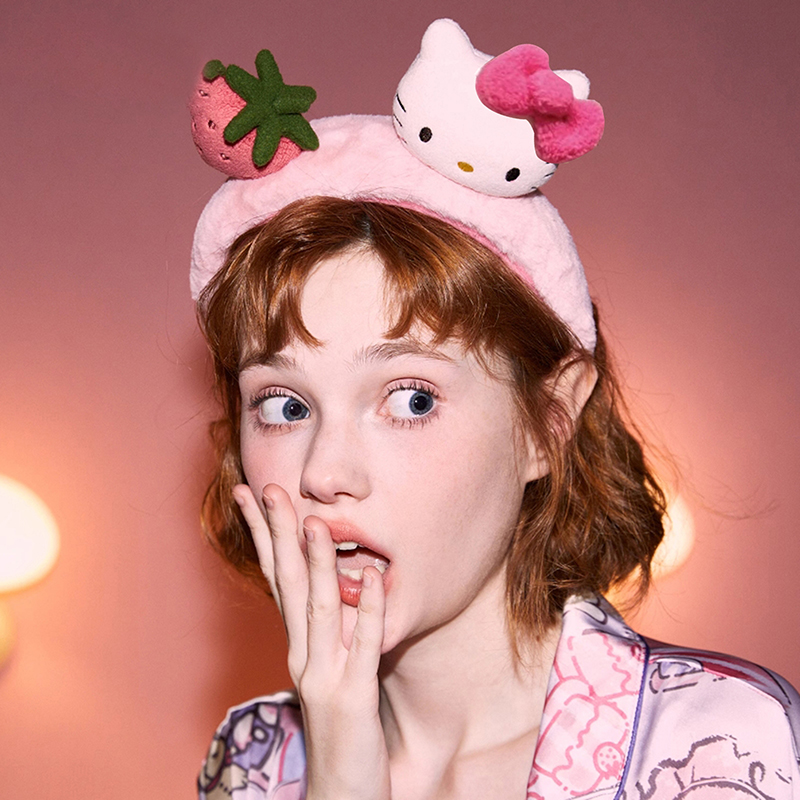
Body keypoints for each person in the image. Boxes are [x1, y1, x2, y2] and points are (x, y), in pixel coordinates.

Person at [189, 19, 800, 800]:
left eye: (411, 398)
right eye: (283, 405)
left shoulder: (722, 744)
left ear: (549, 420)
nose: (325, 472)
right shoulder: (250, 766)